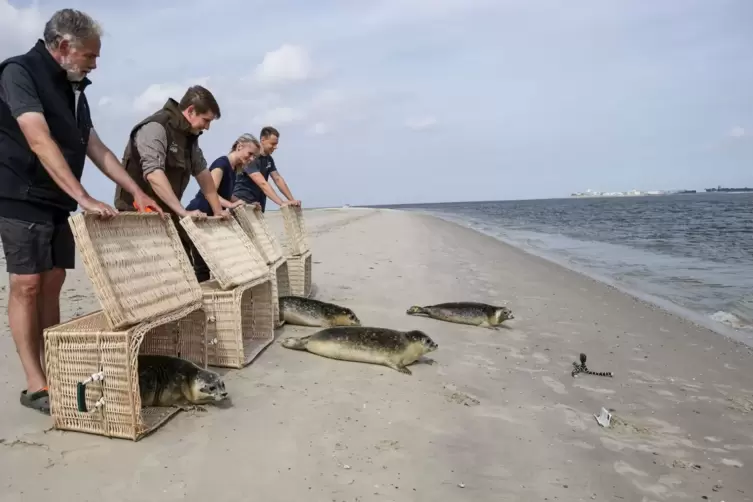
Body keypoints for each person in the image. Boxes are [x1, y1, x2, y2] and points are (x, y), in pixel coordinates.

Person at [0, 9, 163, 414]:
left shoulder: (76, 90)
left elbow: (96, 147)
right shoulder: (19, 72)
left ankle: (55, 367)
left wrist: (136, 192)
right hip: (19, 192)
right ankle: (36, 383)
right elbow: (38, 139)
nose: (95, 64)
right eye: (91, 56)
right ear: (63, 47)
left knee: (53, 279)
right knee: (27, 284)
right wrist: (86, 197)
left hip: (57, 197)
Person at [113, 85, 231, 260]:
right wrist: (183, 212)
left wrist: (217, 210)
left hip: (168, 213)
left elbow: (203, 173)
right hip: (138, 215)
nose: (207, 127)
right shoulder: (155, 127)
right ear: (190, 111)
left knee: (185, 265)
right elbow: (153, 173)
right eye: (206, 120)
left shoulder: (189, 135)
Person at [184, 133, 261, 282]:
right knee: (202, 263)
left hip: (211, 216)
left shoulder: (233, 169)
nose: (251, 159)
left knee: (212, 260)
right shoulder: (221, 164)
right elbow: (210, 192)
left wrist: (246, 203)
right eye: (250, 154)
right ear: (239, 146)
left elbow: (226, 194)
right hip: (200, 213)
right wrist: (231, 205)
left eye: (254, 157)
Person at [231, 126, 301, 212]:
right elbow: (262, 183)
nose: (275, 147)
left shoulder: (269, 159)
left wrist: (291, 200)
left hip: (258, 204)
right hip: (242, 203)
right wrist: (281, 203)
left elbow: (277, 179)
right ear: (263, 140)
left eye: (276, 144)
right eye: (273, 144)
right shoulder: (250, 158)